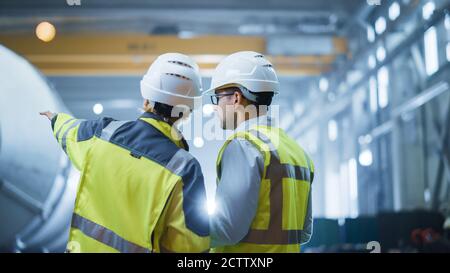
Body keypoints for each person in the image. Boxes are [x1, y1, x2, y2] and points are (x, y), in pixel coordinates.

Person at [40, 53, 210, 253]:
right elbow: (191, 245)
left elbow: (69, 131)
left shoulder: (102, 133)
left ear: (147, 100)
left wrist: (55, 118)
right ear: (187, 112)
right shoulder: (185, 168)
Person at [204, 51, 314, 253]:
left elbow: (227, 228)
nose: (215, 107)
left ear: (236, 98)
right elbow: (304, 232)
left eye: (217, 97)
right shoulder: (297, 151)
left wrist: (178, 228)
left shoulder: (244, 146)